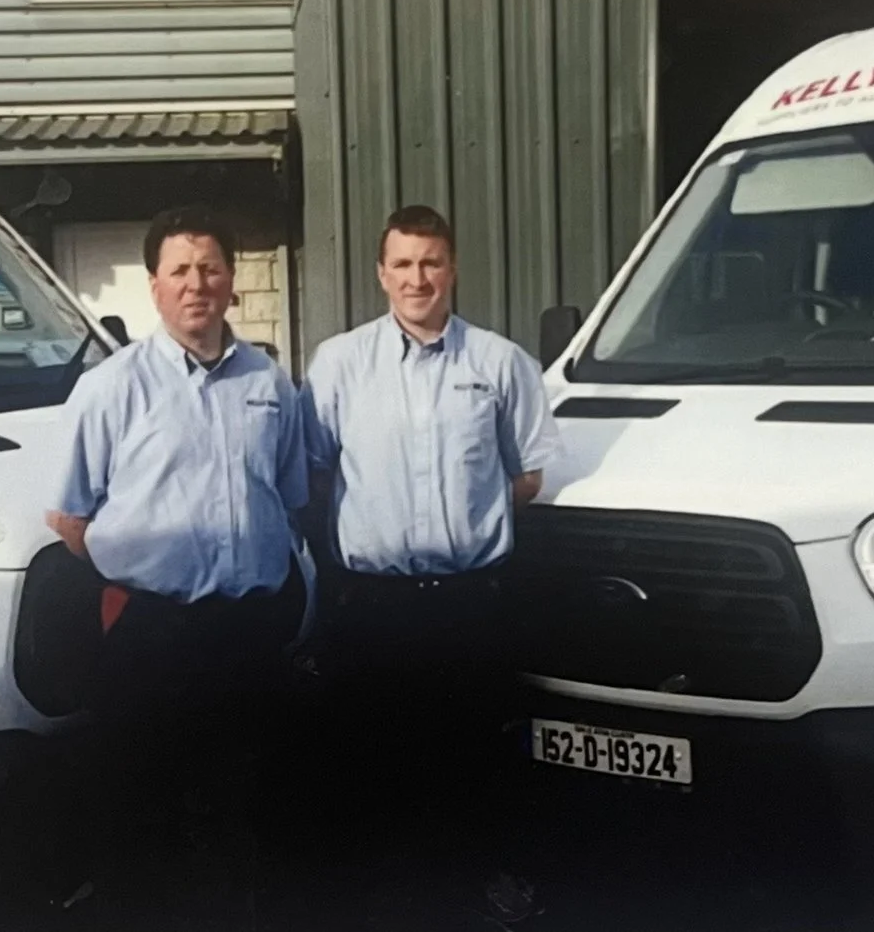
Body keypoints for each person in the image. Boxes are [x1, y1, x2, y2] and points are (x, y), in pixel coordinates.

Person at [41, 205, 311, 910]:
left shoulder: (271, 385)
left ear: (232, 284)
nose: (197, 283)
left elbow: (288, 495)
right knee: (146, 818)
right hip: (150, 638)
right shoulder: (110, 388)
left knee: (248, 812)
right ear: (155, 287)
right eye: (180, 270)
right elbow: (71, 516)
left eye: (211, 268)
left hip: (249, 634)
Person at [299, 203, 563, 920]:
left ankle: (477, 893)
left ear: (453, 269)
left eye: (432, 262)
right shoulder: (339, 363)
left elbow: (530, 472)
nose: (419, 278)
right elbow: (316, 473)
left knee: (473, 756)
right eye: (404, 263)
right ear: (381, 273)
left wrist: (470, 510)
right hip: (372, 606)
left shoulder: (501, 363)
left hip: (469, 602)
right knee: (374, 759)